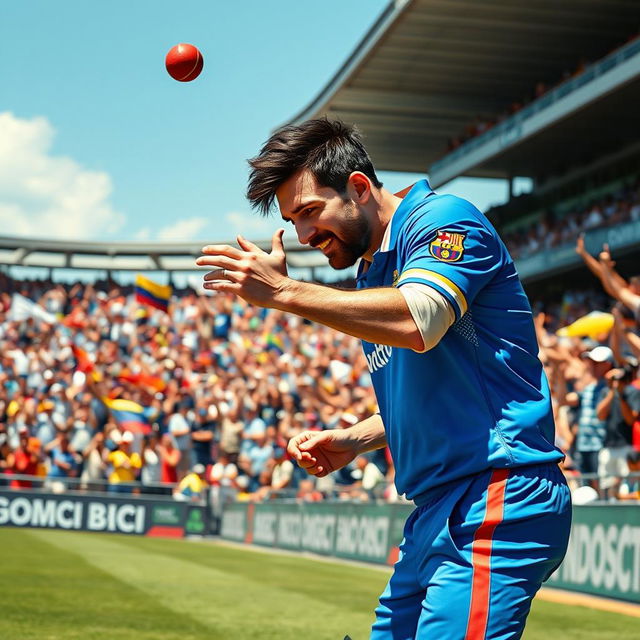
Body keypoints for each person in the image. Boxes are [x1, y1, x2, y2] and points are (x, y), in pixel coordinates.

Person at [197, 118, 572, 639]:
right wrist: (356, 439)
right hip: (436, 508)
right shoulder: (369, 273)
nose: (304, 236)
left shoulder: (443, 219)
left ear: (357, 187)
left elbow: (419, 319)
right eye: (293, 221)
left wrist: (284, 292)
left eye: (309, 212)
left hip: (500, 493)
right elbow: (435, 394)